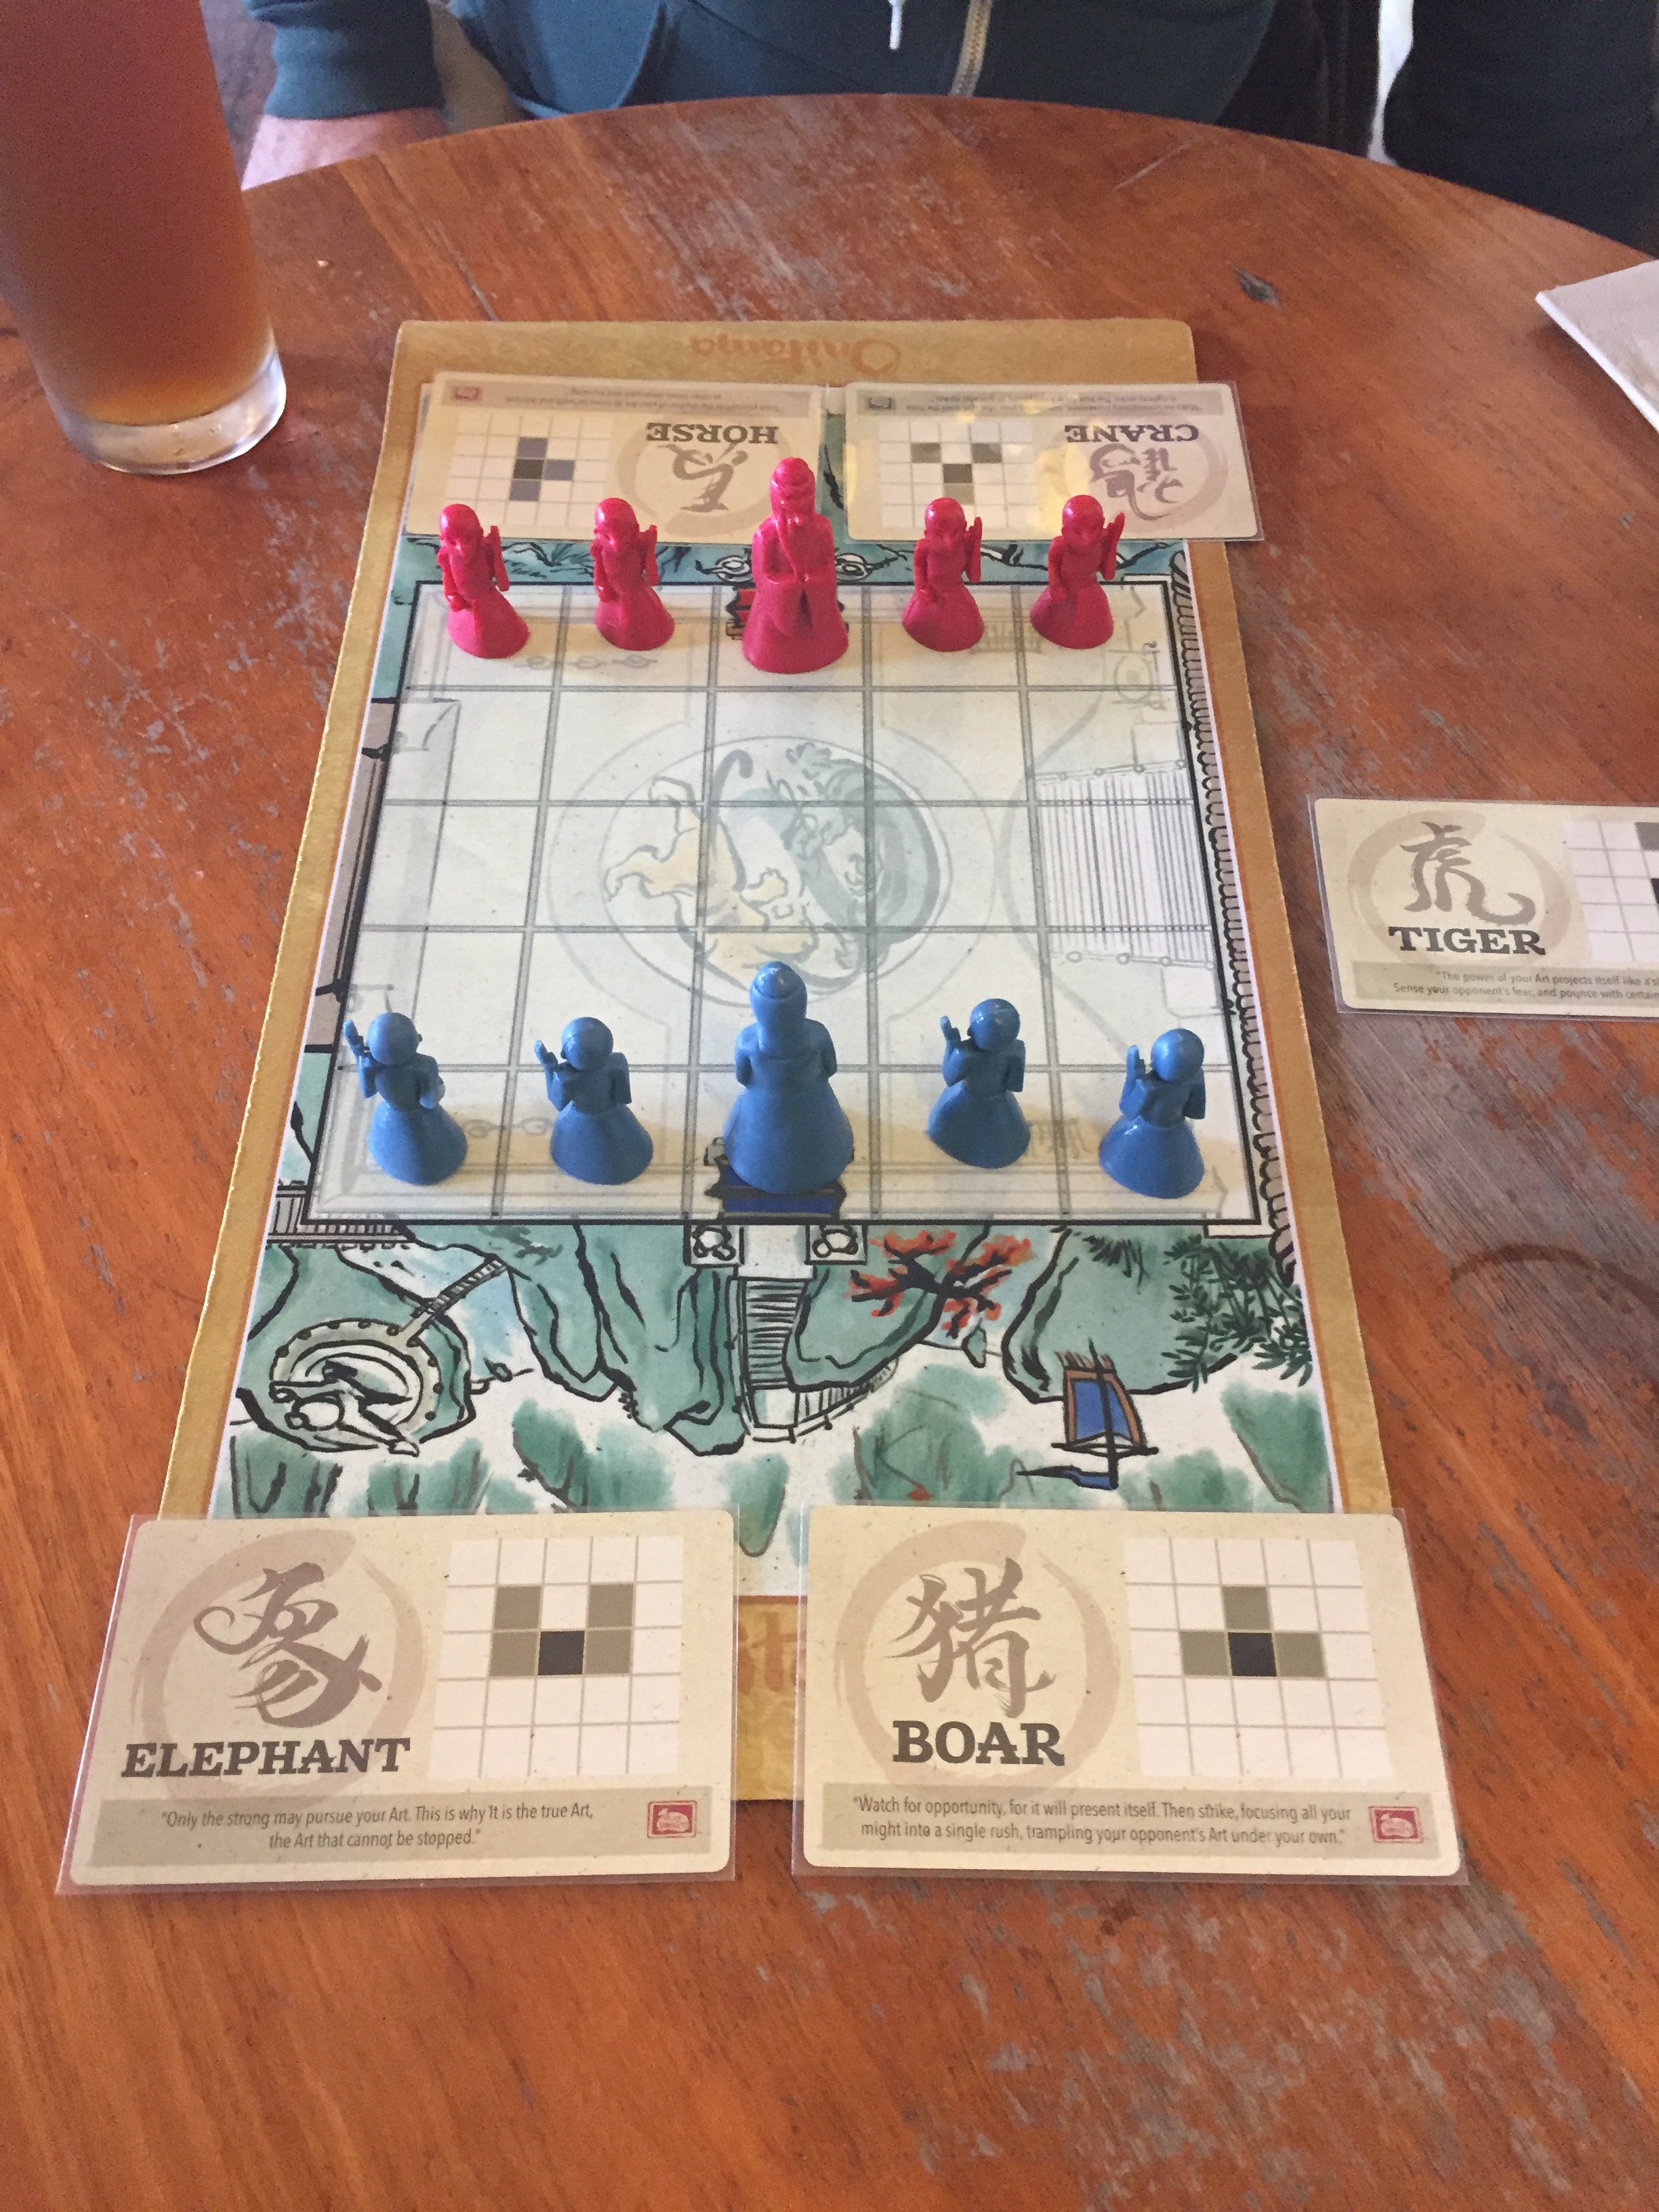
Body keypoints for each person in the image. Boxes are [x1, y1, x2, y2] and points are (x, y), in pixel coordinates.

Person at [240, 1, 1658, 245]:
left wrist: (1553, 246)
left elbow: (1552, 107)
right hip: (591, 131)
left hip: (1174, 166)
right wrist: (344, 57)